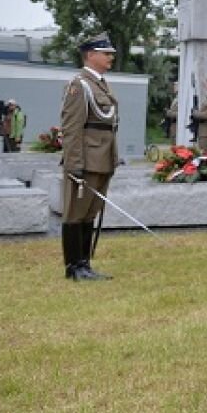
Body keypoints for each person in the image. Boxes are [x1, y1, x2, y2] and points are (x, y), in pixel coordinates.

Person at [59, 33, 120, 281]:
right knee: (76, 212)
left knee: (90, 212)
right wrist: (74, 164)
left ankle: (85, 264)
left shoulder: (100, 83)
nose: (110, 58)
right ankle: (73, 266)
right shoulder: (79, 85)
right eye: (106, 53)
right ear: (90, 55)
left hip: (102, 158)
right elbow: (72, 128)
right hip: (86, 159)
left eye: (110, 54)